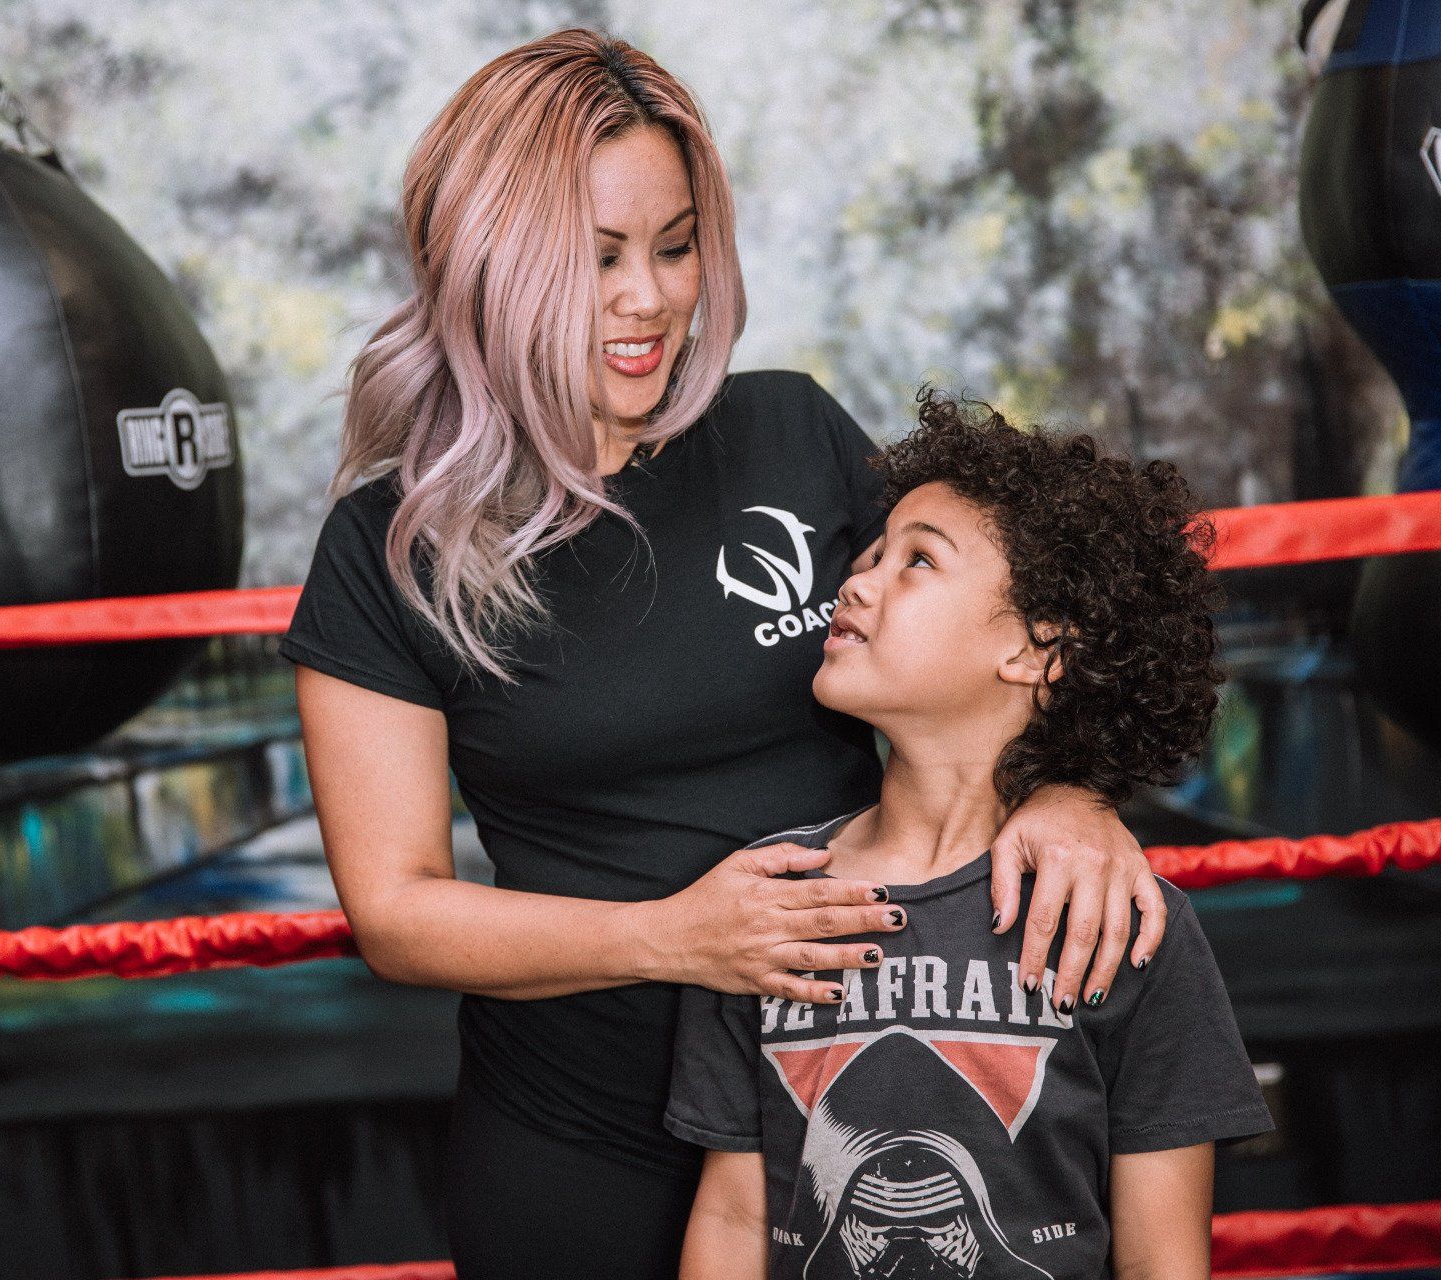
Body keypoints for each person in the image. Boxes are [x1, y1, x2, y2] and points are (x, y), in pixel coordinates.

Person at [278, 28, 1167, 1280]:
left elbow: (1000, 634)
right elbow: (398, 911)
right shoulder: (390, 549)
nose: (650, 297)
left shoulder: (792, 432)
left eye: (675, 245)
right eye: (598, 257)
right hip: (581, 1142)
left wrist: (1069, 791)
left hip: (853, 1113)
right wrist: (672, 936)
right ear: (493, 263)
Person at [667, 391, 1274, 1280]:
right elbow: (732, 1214)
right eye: (871, 555)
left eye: (917, 560)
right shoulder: (764, 900)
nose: (856, 583)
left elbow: (1162, 1261)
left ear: (1035, 650)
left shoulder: (1121, 919)